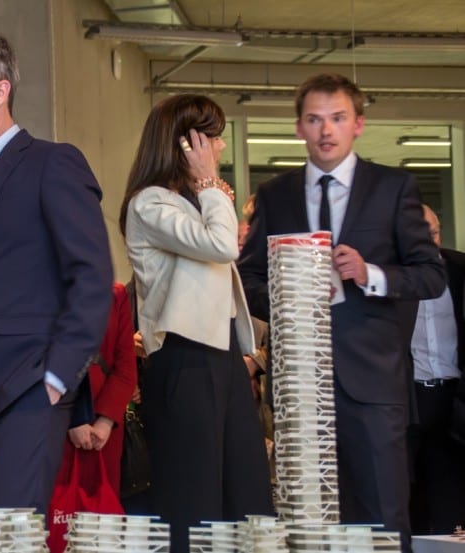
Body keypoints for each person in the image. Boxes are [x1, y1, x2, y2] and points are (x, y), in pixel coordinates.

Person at [237, 73, 446, 552]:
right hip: (297, 385)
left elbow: (429, 275)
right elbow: (246, 281)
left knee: (381, 516)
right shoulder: (276, 195)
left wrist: (370, 272)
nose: (325, 130)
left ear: (358, 125)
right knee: (305, 519)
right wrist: (293, 296)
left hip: (371, 381)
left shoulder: (394, 187)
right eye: (314, 119)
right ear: (298, 128)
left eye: (337, 118)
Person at [0, 28, 113, 515]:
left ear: (0, 89)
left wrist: (55, 378)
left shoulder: (53, 163)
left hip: (28, 391)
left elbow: (91, 278)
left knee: (14, 536)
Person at [120, 94, 273, 551]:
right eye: (211, 139)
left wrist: (209, 190)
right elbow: (223, 246)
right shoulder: (149, 203)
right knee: (195, 503)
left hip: (224, 357)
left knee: (248, 499)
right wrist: (211, 185)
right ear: (184, 144)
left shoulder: (198, 200)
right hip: (185, 359)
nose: (219, 149)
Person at [408, 204, 465, 534]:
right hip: (410, 396)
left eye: (433, 232)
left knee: (450, 496)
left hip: (453, 397)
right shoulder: (391, 277)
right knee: (408, 495)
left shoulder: (459, 269)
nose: (428, 241)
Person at [55, 282, 137, 497]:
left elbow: (126, 367)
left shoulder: (115, 294)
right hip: (54, 416)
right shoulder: (41, 290)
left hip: (104, 425)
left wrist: (106, 420)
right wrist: (73, 416)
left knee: (101, 508)